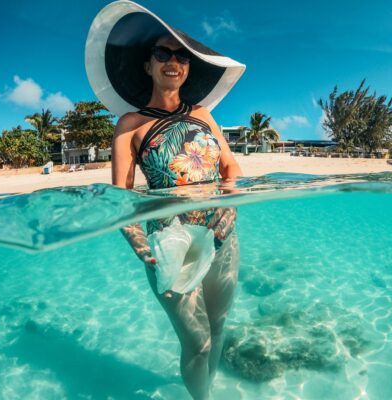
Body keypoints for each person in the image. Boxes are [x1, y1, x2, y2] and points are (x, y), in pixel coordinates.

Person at [85, 2, 246, 399]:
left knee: (219, 325)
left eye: (181, 56)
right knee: (198, 341)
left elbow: (231, 169)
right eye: (162, 53)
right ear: (148, 65)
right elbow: (121, 196)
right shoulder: (130, 125)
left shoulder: (205, 116)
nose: (173, 61)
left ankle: (205, 389)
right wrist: (139, 244)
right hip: (169, 245)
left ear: (188, 67)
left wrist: (230, 204)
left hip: (224, 237)